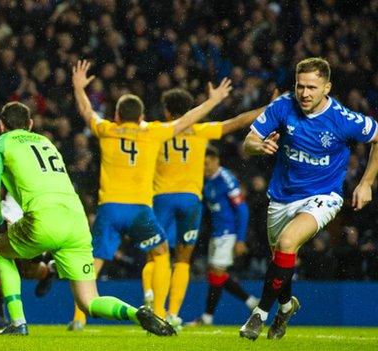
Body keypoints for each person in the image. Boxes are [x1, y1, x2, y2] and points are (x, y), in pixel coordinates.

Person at [0, 100, 174, 336]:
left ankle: (18, 322)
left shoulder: (0, 143)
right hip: (77, 220)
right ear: (30, 124)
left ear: (1, 125)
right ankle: (137, 313)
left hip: (43, 218)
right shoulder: (46, 142)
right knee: (90, 301)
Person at [69, 60, 232, 329]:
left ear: (118, 116)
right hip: (140, 210)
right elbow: (186, 120)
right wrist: (213, 101)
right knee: (160, 253)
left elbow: (87, 113)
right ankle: (159, 312)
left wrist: (78, 88)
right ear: (142, 116)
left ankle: (78, 317)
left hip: (110, 207)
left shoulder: (107, 130)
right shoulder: (153, 133)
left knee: (95, 260)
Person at [239, 57, 378, 340]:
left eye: (312, 87)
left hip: (323, 195)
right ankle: (286, 306)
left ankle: (259, 314)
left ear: (327, 87)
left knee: (287, 243)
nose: (304, 93)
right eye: (300, 86)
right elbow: (248, 142)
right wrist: (259, 145)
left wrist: (366, 183)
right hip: (282, 196)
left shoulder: (343, 119)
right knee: (280, 257)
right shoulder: (282, 106)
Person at [145, 88, 271, 327]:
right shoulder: (200, 131)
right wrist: (270, 108)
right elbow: (237, 121)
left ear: (166, 111)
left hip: (161, 198)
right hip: (190, 200)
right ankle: (173, 313)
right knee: (183, 259)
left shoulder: (157, 130)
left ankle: (157, 309)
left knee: (157, 255)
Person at [0, 162, 57, 331]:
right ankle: (0, 315)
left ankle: (47, 272)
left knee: (27, 269)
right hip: (14, 205)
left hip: (36, 206)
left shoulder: (35, 146)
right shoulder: (5, 145)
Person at [188, 146, 259, 326]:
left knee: (216, 272)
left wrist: (240, 239)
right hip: (216, 233)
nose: (204, 167)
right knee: (215, 274)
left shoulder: (226, 179)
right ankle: (252, 302)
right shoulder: (205, 180)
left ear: (216, 161)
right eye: (202, 164)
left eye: (207, 163)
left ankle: (207, 317)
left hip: (228, 233)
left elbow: (242, 209)